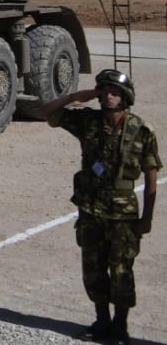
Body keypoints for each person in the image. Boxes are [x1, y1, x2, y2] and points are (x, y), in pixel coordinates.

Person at [36, 69, 159, 344]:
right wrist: (76, 97)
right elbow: (45, 112)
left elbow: (151, 178)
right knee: (93, 268)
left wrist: (147, 218)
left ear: (125, 98)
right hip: (91, 209)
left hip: (122, 214)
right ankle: (101, 321)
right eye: (104, 92)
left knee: (121, 271)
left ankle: (120, 326)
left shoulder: (141, 130)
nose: (108, 97)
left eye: (114, 93)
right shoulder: (88, 121)